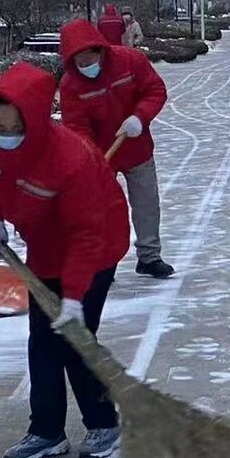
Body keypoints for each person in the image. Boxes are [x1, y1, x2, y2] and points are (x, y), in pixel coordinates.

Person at [0, 61, 130, 458]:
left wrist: (75, 297)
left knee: (75, 339)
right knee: (42, 340)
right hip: (43, 246)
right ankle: (46, 431)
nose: (5, 137)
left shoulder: (70, 160)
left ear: (38, 123)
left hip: (96, 244)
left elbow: (86, 234)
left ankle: (103, 423)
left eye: (15, 130)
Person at [57, 17, 176, 279]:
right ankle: (103, 263)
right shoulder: (70, 85)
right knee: (101, 210)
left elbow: (155, 89)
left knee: (146, 204)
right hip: (100, 157)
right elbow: (76, 127)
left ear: (99, 50)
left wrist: (139, 117)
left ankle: (149, 256)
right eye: (79, 63)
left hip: (137, 146)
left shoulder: (129, 61)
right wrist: (92, 158)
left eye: (89, 60)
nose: (85, 67)